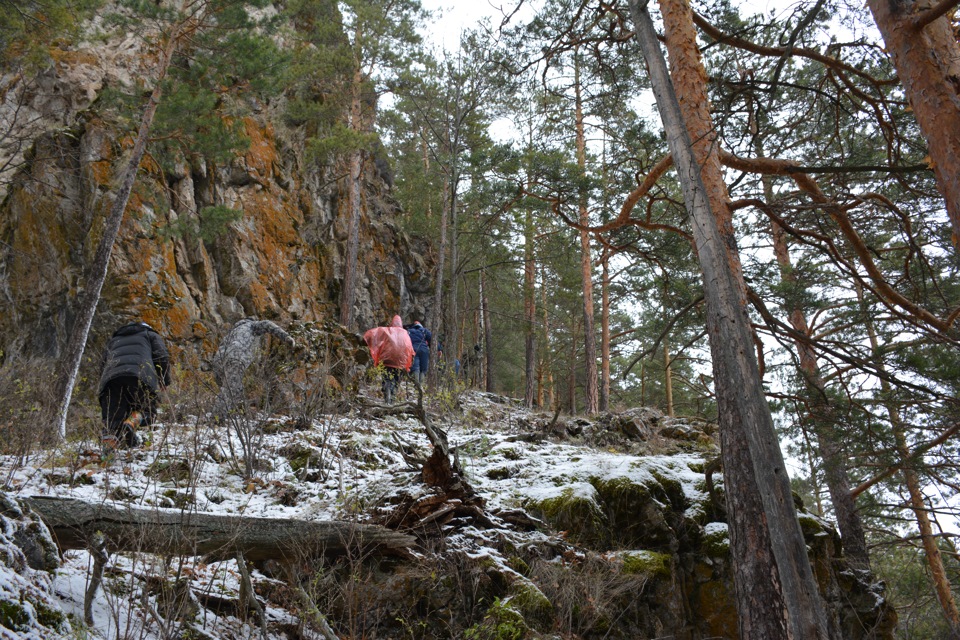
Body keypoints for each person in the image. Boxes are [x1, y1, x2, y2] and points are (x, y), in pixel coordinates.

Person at [98, 321, 171, 451]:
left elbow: (102, 363)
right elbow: (162, 356)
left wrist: (105, 384)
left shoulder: (114, 340)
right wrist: (164, 380)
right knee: (148, 412)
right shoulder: (150, 334)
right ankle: (132, 422)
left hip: (111, 379)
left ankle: (106, 461)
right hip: (140, 375)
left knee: (113, 421)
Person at [211, 318, 296, 421]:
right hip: (236, 356)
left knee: (229, 388)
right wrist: (285, 336)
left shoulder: (233, 332)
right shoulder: (251, 325)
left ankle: (226, 415)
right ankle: (216, 419)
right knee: (232, 389)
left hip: (219, 359)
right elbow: (266, 323)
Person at [363, 315, 414, 404]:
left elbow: (372, 334)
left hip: (387, 359)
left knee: (387, 378)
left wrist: (364, 339)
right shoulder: (406, 333)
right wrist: (408, 364)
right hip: (401, 361)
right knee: (396, 379)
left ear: (392, 323)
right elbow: (410, 349)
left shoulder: (386, 330)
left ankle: (387, 396)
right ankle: (393, 398)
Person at [405, 318, 432, 386]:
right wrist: (439, 349)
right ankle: (421, 385)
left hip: (413, 350)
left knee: (415, 367)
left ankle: (416, 385)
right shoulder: (425, 331)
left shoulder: (409, 331)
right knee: (423, 368)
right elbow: (432, 339)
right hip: (424, 350)